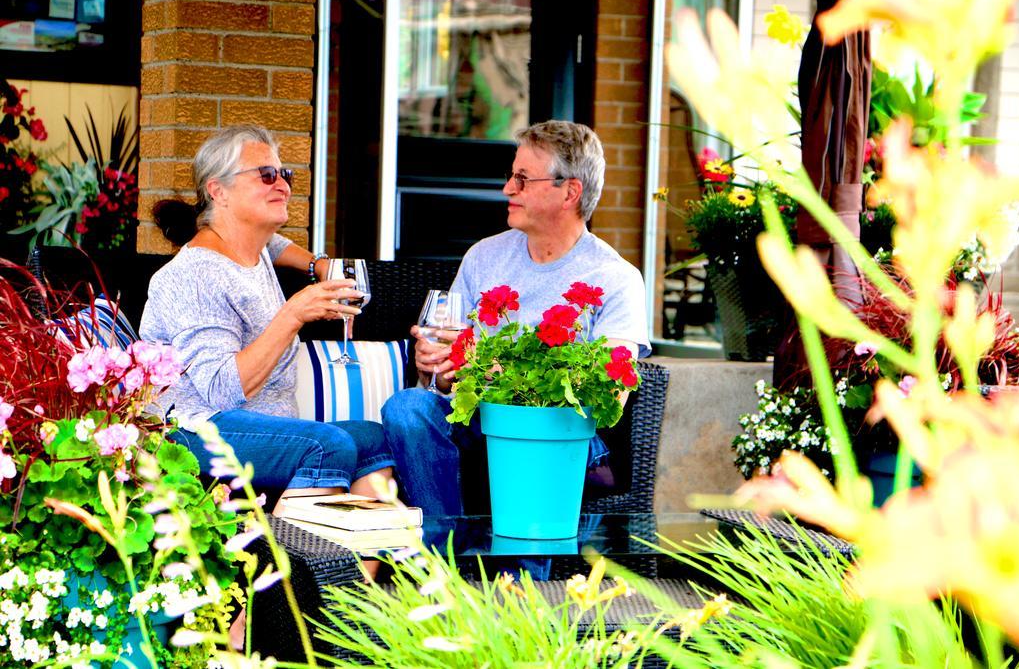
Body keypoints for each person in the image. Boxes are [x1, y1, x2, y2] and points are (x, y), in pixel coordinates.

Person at [381, 119, 650, 518]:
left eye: (523, 179)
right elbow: (444, 366)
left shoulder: (615, 278)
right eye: (510, 176)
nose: (508, 188)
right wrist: (435, 366)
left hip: (556, 432)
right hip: (476, 423)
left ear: (569, 192)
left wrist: (498, 373)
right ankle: (443, 555)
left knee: (535, 431)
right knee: (407, 407)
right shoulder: (484, 257)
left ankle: (520, 572)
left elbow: (612, 393)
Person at [140, 124, 396, 506]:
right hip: (196, 429)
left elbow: (273, 245)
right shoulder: (193, 275)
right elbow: (223, 390)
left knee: (373, 440)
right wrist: (293, 313)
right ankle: (294, 561)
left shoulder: (250, 246)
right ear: (218, 191)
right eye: (266, 175)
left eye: (285, 175)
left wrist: (317, 265)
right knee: (329, 446)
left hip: (263, 431)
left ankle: (355, 568)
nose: (284, 186)